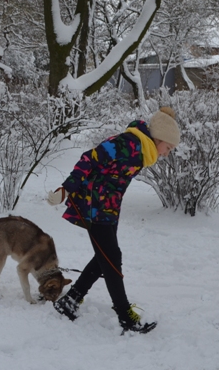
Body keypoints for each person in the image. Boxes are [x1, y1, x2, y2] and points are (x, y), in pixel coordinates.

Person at [46, 106, 181, 334]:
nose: (167, 153)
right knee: (111, 260)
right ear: (159, 138)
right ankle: (125, 315)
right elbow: (90, 158)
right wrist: (67, 188)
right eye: (168, 147)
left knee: (106, 256)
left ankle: (71, 301)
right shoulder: (127, 144)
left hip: (108, 207)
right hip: (93, 205)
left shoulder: (142, 151)